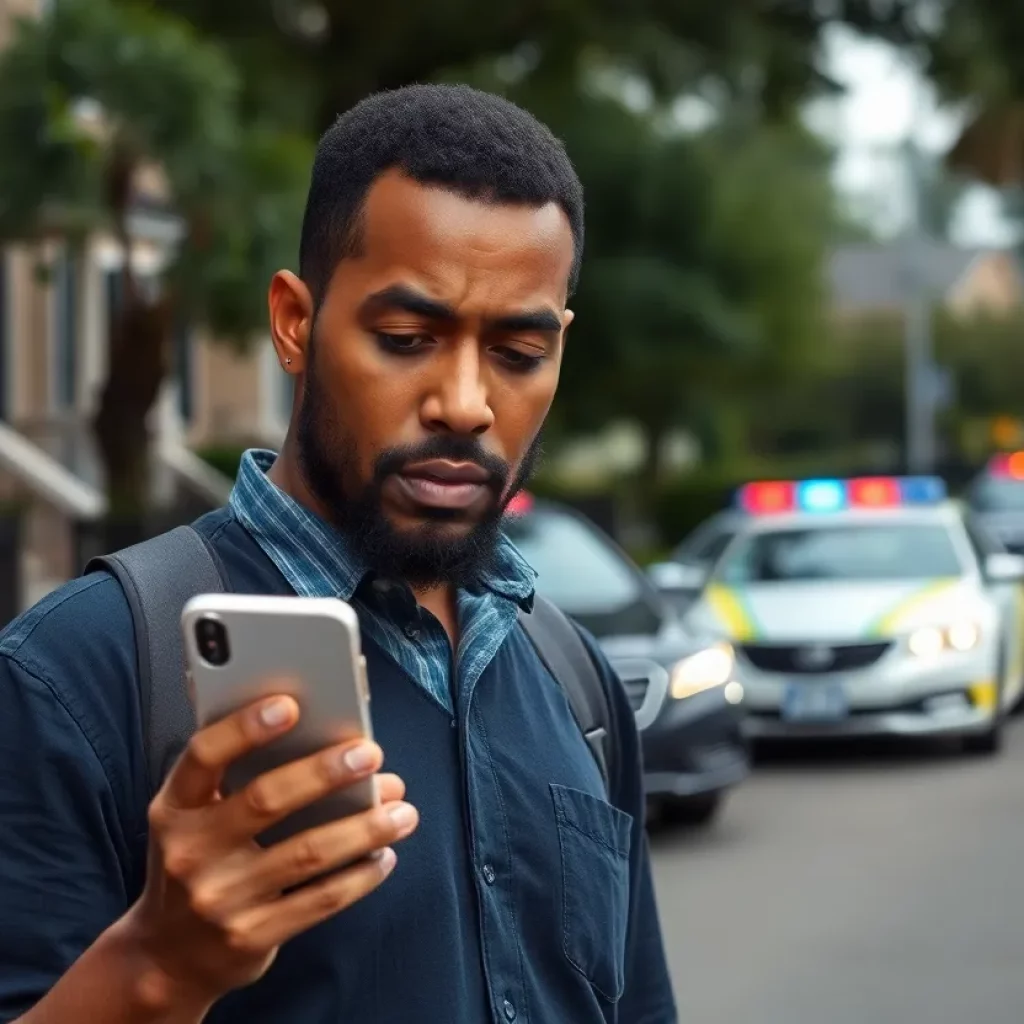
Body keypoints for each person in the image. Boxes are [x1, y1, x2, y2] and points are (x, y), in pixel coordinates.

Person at [0, 84, 677, 1024]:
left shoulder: (574, 680)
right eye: (407, 339)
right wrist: (156, 968)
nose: (466, 403)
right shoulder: (81, 674)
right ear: (294, 324)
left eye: (519, 352)